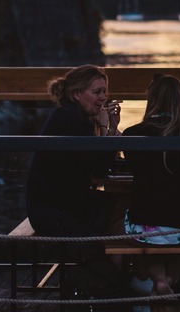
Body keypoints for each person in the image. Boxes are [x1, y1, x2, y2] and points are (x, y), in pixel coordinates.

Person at [124, 75, 180, 301]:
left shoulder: (132, 134)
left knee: (149, 235)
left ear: (151, 99)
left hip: (144, 227)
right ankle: (168, 281)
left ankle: (159, 281)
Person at [25, 65, 122, 236]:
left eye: (104, 92)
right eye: (96, 92)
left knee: (117, 204)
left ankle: (107, 250)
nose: (103, 97)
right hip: (56, 212)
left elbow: (96, 162)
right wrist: (107, 128)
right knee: (123, 205)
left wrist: (111, 128)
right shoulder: (71, 121)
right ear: (77, 94)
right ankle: (109, 252)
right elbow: (99, 168)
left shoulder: (69, 115)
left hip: (54, 205)